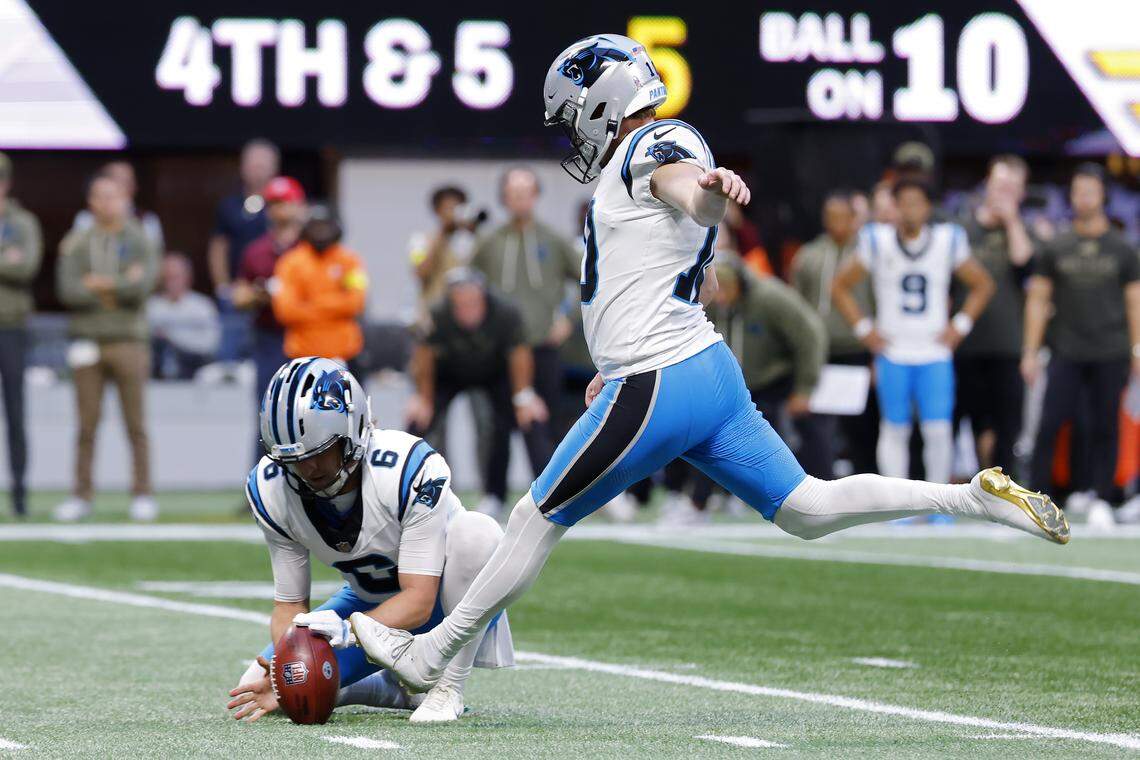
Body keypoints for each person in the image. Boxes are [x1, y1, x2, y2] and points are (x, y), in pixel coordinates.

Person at [325, 34, 1068, 695]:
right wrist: (616, 345)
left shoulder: (653, 146)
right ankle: (971, 497)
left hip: (658, 377)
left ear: (602, 102)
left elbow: (680, 182)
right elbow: (659, 250)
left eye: (571, 114)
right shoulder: (644, 155)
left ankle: (433, 656)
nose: (569, 133)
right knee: (807, 509)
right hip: (701, 370)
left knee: (534, 515)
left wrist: (708, 196)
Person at [225, 358, 514, 724]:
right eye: (293, 460)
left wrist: (346, 632)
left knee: (478, 533)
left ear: (353, 431)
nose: (306, 470)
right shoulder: (270, 489)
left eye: (318, 454)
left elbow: (419, 601)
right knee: (262, 684)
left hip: (443, 606)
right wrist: (290, 660)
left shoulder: (406, 469)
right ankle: (386, 688)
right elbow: (290, 604)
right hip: (368, 602)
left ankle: (447, 687)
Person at [832, 179, 995, 483]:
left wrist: (959, 326)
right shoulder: (877, 241)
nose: (909, 210)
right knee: (895, 429)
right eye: (903, 203)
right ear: (894, 207)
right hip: (893, 351)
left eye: (916, 203)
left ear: (928, 207)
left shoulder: (948, 240)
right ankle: (897, 506)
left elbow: (983, 284)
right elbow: (840, 286)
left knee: (938, 430)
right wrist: (864, 328)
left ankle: (937, 504)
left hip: (934, 351)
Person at [1023, 164, 1140, 526]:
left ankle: (1102, 497)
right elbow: (1038, 300)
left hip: (1111, 348)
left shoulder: (1122, 248)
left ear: (1103, 195)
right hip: (1066, 349)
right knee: (1049, 423)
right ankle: (1037, 498)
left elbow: (1135, 301)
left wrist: (1137, 349)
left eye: (1089, 191)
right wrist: (1030, 350)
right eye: (1077, 191)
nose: (1083, 198)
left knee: (1106, 425)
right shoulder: (1056, 246)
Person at [54, 173, 160, 522]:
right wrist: (117, 286)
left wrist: (98, 284)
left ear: (124, 199)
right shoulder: (77, 241)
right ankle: (81, 495)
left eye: (113, 196)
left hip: (129, 339)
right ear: (91, 202)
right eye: (100, 196)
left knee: (136, 424)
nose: (107, 203)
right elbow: (69, 291)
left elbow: (141, 287)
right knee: (86, 425)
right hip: (87, 339)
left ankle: (142, 493)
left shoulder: (140, 237)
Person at [470, 167, 580, 497]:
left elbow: (589, 281)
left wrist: (568, 319)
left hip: (543, 346)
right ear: (504, 197)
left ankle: (550, 494)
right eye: (513, 191)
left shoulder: (553, 239)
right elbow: (468, 289)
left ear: (535, 196)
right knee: (497, 427)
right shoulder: (488, 242)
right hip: (500, 351)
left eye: (526, 190)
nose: (519, 197)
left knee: (549, 423)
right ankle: (494, 495)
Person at [405, 270, 549, 515]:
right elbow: (424, 354)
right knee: (417, 421)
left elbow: (519, 353)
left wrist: (523, 395)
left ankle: (516, 494)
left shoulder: (505, 313)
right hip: (450, 373)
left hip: (495, 373)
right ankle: (403, 487)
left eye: (472, 304)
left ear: (483, 297)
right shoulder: (437, 314)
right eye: (460, 305)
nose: (466, 311)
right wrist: (424, 397)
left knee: (521, 420)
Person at [711, 257, 829, 478]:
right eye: (718, 289)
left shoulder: (770, 298)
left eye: (727, 289)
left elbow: (810, 335)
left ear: (741, 283)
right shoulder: (715, 303)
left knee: (798, 439)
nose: (721, 297)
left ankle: (820, 482)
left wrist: (805, 388)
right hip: (740, 385)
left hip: (777, 380)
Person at [955, 156, 1035, 473]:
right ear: (986, 184)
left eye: (1012, 187)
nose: (1004, 193)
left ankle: (1005, 490)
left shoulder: (1024, 231)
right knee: (970, 421)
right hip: (965, 342)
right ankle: (974, 487)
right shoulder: (961, 229)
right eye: (1000, 184)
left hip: (1008, 344)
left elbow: (1024, 262)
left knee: (1008, 423)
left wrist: (1012, 220)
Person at [790, 190, 878, 473]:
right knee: (817, 425)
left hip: (857, 349)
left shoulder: (869, 255)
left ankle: (865, 481)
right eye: (831, 216)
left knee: (862, 426)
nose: (837, 222)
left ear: (854, 218)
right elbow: (797, 303)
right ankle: (821, 482)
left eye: (843, 216)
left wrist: (877, 354)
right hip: (819, 352)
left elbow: (880, 301)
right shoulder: (809, 255)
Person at [233, 176, 307, 462]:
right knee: (269, 411)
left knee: (309, 410)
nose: (280, 210)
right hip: (269, 336)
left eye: (285, 203)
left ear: (299, 206)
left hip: (306, 333)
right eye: (274, 204)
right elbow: (239, 296)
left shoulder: (311, 248)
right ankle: (263, 483)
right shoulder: (257, 250)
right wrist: (261, 293)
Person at [271, 207, 367, 371]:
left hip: (346, 354)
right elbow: (285, 310)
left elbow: (356, 303)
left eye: (325, 226)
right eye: (316, 226)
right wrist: (336, 304)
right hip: (301, 357)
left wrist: (312, 304)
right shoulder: (290, 263)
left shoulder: (350, 261)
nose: (321, 232)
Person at [0, 152, 42, 517]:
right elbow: (12, 264)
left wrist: (14, 263)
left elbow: (26, 265)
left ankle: (19, 494)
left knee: (16, 413)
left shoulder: (23, 222)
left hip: (11, 325)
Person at [208, 138, 279, 301]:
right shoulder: (228, 206)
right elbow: (218, 247)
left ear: (274, 169)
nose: (257, 171)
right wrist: (222, 286)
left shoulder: (282, 207)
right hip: (237, 292)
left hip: (275, 293)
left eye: (262, 166)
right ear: (242, 167)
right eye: (253, 165)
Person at [409, 186, 482, 325]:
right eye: (448, 208)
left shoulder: (470, 240)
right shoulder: (420, 240)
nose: (453, 213)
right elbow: (420, 273)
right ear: (437, 211)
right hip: (432, 317)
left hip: (466, 318)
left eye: (457, 208)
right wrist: (442, 234)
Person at [146, 253, 221, 380]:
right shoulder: (151, 307)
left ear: (188, 277)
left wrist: (172, 338)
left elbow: (211, 343)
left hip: (194, 368)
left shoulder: (202, 306)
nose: (171, 282)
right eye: (167, 277)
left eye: (176, 277)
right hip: (157, 373)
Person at [72, 160, 163, 251]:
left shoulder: (146, 219)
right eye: (115, 179)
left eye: (127, 181)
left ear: (134, 186)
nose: (121, 186)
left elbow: (152, 257)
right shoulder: (86, 219)